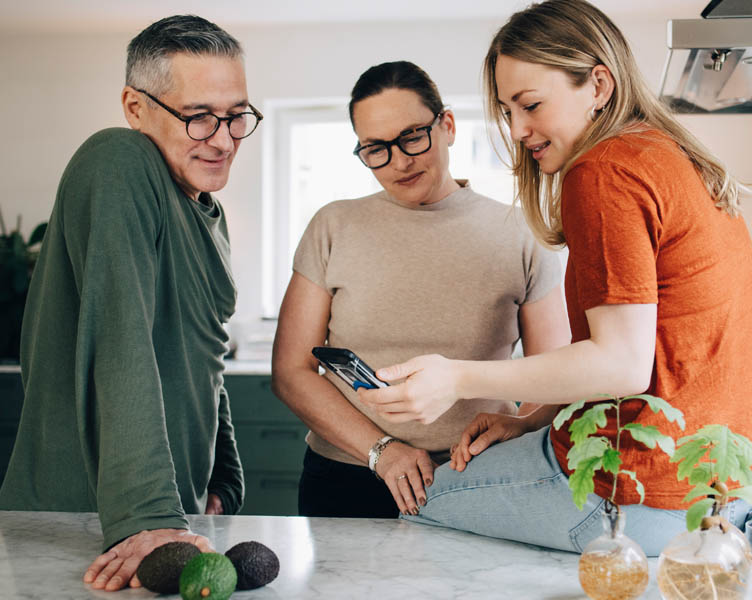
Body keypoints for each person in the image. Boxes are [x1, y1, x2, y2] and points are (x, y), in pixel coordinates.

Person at [358, 0, 752, 556]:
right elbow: (650, 351)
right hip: (721, 492)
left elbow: (621, 365)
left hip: (637, 495)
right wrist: (536, 419)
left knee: (422, 503)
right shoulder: (665, 154)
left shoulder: (602, 171)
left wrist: (456, 378)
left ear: (598, 84)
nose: (519, 130)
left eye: (530, 105)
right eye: (509, 112)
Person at [0, 15, 262, 591]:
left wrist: (222, 476)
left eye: (236, 115)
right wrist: (148, 516)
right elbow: (121, 341)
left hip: (170, 521)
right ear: (136, 107)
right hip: (89, 522)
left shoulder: (206, 212)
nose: (222, 139)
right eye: (198, 116)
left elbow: (203, 353)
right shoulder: (118, 161)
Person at [271, 60, 570, 519]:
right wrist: (382, 451)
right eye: (376, 148)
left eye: (412, 136)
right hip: (349, 477)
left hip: (478, 476)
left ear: (446, 125)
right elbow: (292, 371)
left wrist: (518, 423)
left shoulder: (520, 232)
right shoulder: (333, 225)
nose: (399, 160)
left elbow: (554, 375)